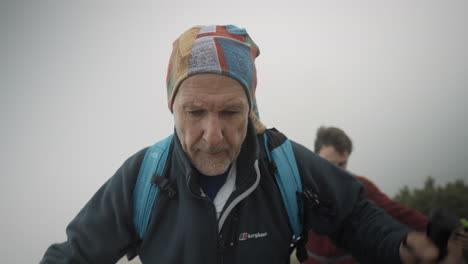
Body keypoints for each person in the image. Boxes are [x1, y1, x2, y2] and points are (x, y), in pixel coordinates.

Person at [41, 25, 461, 264]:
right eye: (194, 113)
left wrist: (402, 246)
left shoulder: (285, 165)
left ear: (251, 108)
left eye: (229, 113)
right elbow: (75, 255)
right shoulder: (142, 180)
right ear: (172, 108)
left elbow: (354, 217)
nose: (212, 135)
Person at [303, 126, 467, 264]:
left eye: (342, 164)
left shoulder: (359, 187)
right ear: (314, 158)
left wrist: (449, 232)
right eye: (329, 164)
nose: (336, 172)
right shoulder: (300, 191)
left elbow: (401, 214)